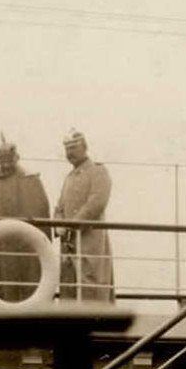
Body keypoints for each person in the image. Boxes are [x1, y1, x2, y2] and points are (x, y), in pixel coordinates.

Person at [0, 134, 51, 302]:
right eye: (2, 159)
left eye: (9, 158)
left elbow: (43, 223)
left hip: (25, 252)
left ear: (16, 157)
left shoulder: (31, 180)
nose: (5, 163)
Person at [54, 128, 114, 303]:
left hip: (90, 241)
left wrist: (73, 225)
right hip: (69, 244)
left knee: (92, 286)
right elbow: (59, 207)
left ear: (85, 147)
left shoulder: (98, 171)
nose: (69, 153)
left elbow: (97, 202)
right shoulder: (69, 178)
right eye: (67, 149)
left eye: (73, 148)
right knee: (69, 287)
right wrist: (58, 225)